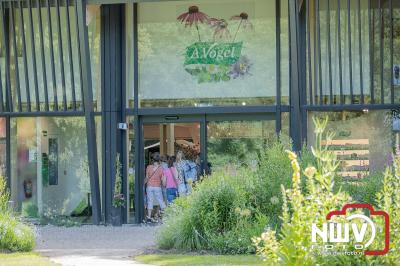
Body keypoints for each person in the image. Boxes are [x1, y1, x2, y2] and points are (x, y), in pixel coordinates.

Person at [144, 152, 166, 222]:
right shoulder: (161, 168)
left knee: (150, 201)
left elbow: (147, 178)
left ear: (153, 160)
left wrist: (143, 183)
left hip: (149, 186)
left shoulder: (149, 167)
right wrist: (164, 185)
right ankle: (164, 216)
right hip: (157, 187)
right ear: (159, 160)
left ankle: (149, 217)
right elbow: (163, 180)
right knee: (160, 201)